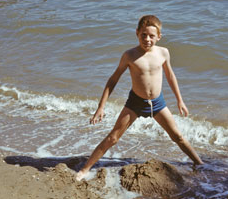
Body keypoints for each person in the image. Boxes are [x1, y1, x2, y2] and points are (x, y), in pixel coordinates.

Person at [76, 15, 204, 181]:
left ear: (159, 36)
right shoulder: (130, 55)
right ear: (137, 33)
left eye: (151, 36)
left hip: (158, 103)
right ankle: (85, 170)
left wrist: (180, 100)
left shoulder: (163, 52)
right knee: (113, 138)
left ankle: (200, 164)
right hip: (135, 103)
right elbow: (113, 80)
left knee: (178, 137)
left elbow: (170, 76)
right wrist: (101, 107)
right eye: (143, 35)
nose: (147, 39)